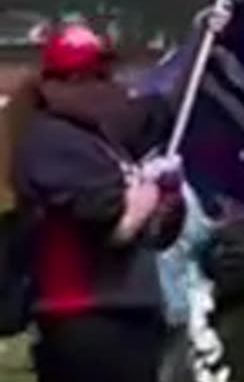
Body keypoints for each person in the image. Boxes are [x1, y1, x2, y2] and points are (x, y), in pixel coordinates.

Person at [9, 22, 189, 382]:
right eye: (92, 73)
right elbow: (99, 215)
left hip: (130, 311)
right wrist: (138, 203)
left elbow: (168, 108)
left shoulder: (106, 137)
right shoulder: (48, 138)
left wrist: (166, 199)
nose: (104, 83)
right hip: (82, 314)